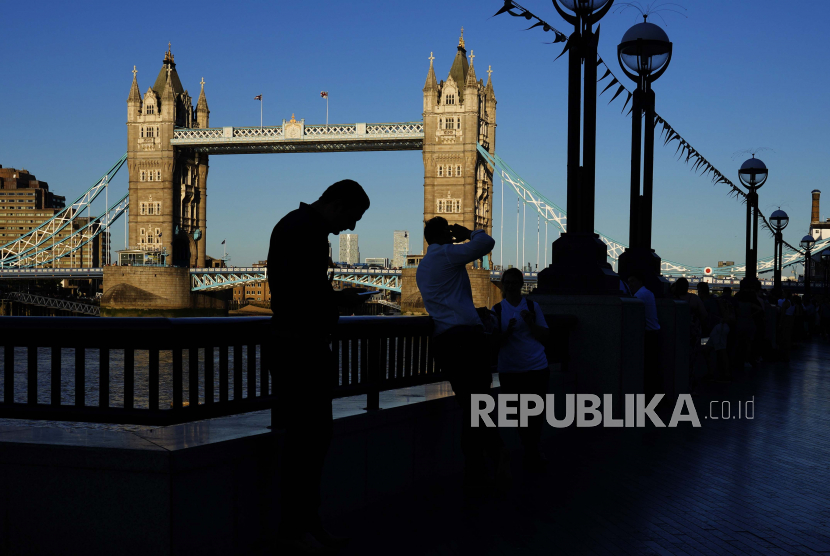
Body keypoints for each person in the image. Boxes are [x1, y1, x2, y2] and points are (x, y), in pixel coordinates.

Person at [267, 179, 371, 554]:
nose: (352, 228)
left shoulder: (298, 226)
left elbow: (302, 289)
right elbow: (300, 295)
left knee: (311, 443)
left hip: (299, 348)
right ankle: (293, 531)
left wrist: (332, 299)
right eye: (353, 217)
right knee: (305, 446)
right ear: (337, 203)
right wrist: (338, 304)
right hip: (300, 352)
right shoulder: (302, 231)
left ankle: (306, 525)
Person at [416, 217, 507, 493]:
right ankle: (488, 466)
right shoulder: (446, 255)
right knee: (480, 406)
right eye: (448, 229)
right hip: (465, 341)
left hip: (445, 342)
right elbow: (486, 243)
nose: (452, 233)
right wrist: (469, 232)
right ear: (441, 235)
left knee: (472, 407)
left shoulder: (423, 265)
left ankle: (479, 468)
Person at [491, 268, 550, 472]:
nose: (510, 286)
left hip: (536, 367)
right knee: (517, 413)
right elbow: (493, 342)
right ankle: (531, 448)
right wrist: (507, 332)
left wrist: (530, 322)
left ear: (521, 283)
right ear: (502, 284)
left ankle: (532, 449)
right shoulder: (496, 311)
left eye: (514, 282)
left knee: (535, 413)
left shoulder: (533, 306)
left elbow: (544, 336)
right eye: (507, 282)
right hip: (510, 370)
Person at [628, 273, 661, 398]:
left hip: (648, 336)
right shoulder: (648, 292)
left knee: (647, 370)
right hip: (654, 334)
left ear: (640, 281)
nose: (630, 285)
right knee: (652, 370)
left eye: (632, 281)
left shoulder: (639, 296)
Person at [671, 278, 706, 392]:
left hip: (676, 332)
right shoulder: (694, 299)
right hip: (692, 332)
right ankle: (690, 385)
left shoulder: (671, 299)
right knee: (692, 359)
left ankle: (675, 384)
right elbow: (704, 315)